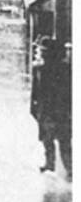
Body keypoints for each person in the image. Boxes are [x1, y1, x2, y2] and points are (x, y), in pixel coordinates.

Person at [30, 37, 71, 176]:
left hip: (60, 111)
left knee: (64, 141)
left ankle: (70, 169)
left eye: (41, 51)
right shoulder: (38, 69)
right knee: (47, 140)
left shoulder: (65, 70)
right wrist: (34, 110)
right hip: (45, 111)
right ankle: (50, 164)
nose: (38, 52)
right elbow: (35, 93)